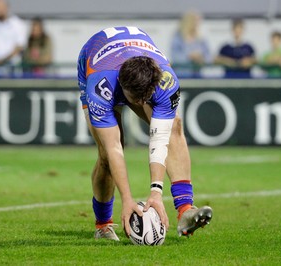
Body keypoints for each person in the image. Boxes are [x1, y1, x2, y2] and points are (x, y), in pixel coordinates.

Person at [77, 26, 213, 241]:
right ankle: (103, 225)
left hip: (134, 55)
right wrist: (127, 198)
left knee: (174, 126)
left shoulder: (166, 81)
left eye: (146, 98)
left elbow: (159, 137)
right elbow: (114, 148)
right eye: (137, 99)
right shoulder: (101, 88)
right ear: (122, 86)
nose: (141, 104)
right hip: (95, 59)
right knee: (106, 153)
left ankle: (185, 209)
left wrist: (156, 193)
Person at [170, 11, 211, 78]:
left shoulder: (201, 39)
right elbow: (175, 57)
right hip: (181, 75)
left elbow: (208, 57)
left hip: (197, 75)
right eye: (195, 21)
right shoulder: (177, 38)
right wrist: (190, 57)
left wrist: (201, 58)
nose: (197, 24)